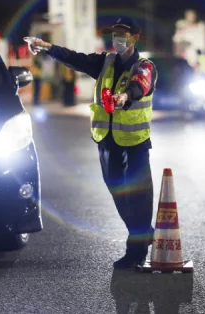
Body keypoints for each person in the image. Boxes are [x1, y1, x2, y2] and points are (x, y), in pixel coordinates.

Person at [26, 17, 158, 268]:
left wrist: (124, 97)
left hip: (135, 141)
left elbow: (140, 85)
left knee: (139, 195)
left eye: (123, 33)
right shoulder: (105, 62)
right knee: (116, 189)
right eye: (115, 33)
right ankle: (141, 233)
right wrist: (47, 46)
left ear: (135, 38)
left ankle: (136, 250)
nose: (117, 38)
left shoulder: (145, 66)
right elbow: (75, 59)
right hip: (107, 140)